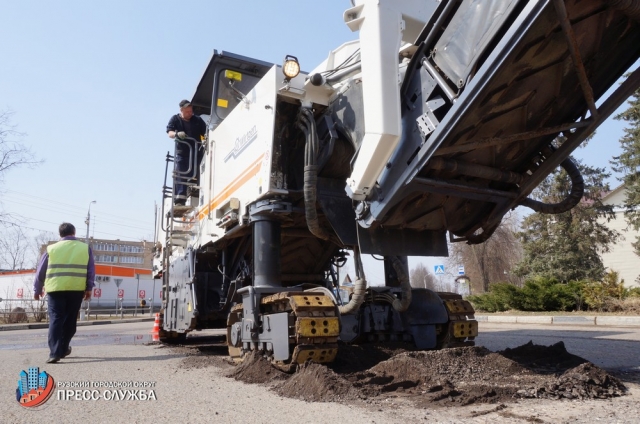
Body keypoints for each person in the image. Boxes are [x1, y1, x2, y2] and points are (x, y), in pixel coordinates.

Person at [33, 223, 95, 363]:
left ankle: (55, 352)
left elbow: (40, 271)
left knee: (56, 319)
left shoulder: (51, 249)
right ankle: (64, 347)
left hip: (55, 289)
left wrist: (37, 289)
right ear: (74, 232)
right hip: (76, 289)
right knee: (70, 320)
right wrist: (89, 288)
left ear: (60, 234)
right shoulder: (85, 248)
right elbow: (90, 270)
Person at [166, 99, 208, 205]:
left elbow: (206, 132)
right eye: (187, 111)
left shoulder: (197, 120)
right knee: (181, 173)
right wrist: (176, 134)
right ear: (181, 110)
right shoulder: (175, 119)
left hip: (196, 152)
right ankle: (180, 199)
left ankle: (199, 192)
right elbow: (169, 132)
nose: (190, 113)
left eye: (191, 111)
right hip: (182, 152)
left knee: (199, 171)